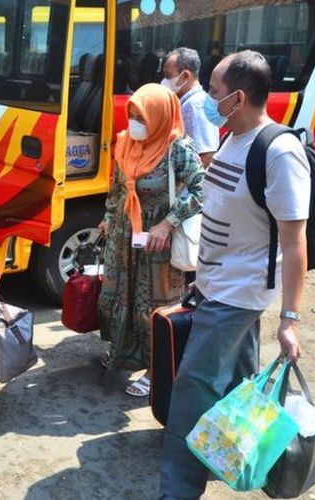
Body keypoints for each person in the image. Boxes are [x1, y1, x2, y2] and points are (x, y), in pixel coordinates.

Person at [159, 50, 308, 499]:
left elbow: (293, 241)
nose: (208, 100)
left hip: (237, 295)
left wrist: (290, 319)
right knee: (240, 384)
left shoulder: (278, 152)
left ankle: (178, 490)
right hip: (213, 286)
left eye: (216, 93)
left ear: (238, 98)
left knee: (191, 388)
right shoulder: (231, 137)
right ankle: (243, 460)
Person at [97, 83, 204, 397]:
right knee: (118, 298)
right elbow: (117, 188)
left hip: (158, 241)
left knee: (154, 307)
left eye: (141, 116)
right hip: (123, 234)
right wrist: (108, 216)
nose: (134, 122)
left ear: (159, 115)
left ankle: (156, 369)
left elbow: (201, 189)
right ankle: (122, 353)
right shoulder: (124, 142)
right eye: (131, 114)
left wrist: (168, 224)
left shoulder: (177, 148)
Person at [162, 47, 219, 168]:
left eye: (168, 75)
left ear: (185, 76)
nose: (164, 81)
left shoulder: (195, 105)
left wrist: (184, 185)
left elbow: (206, 155)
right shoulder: (187, 102)